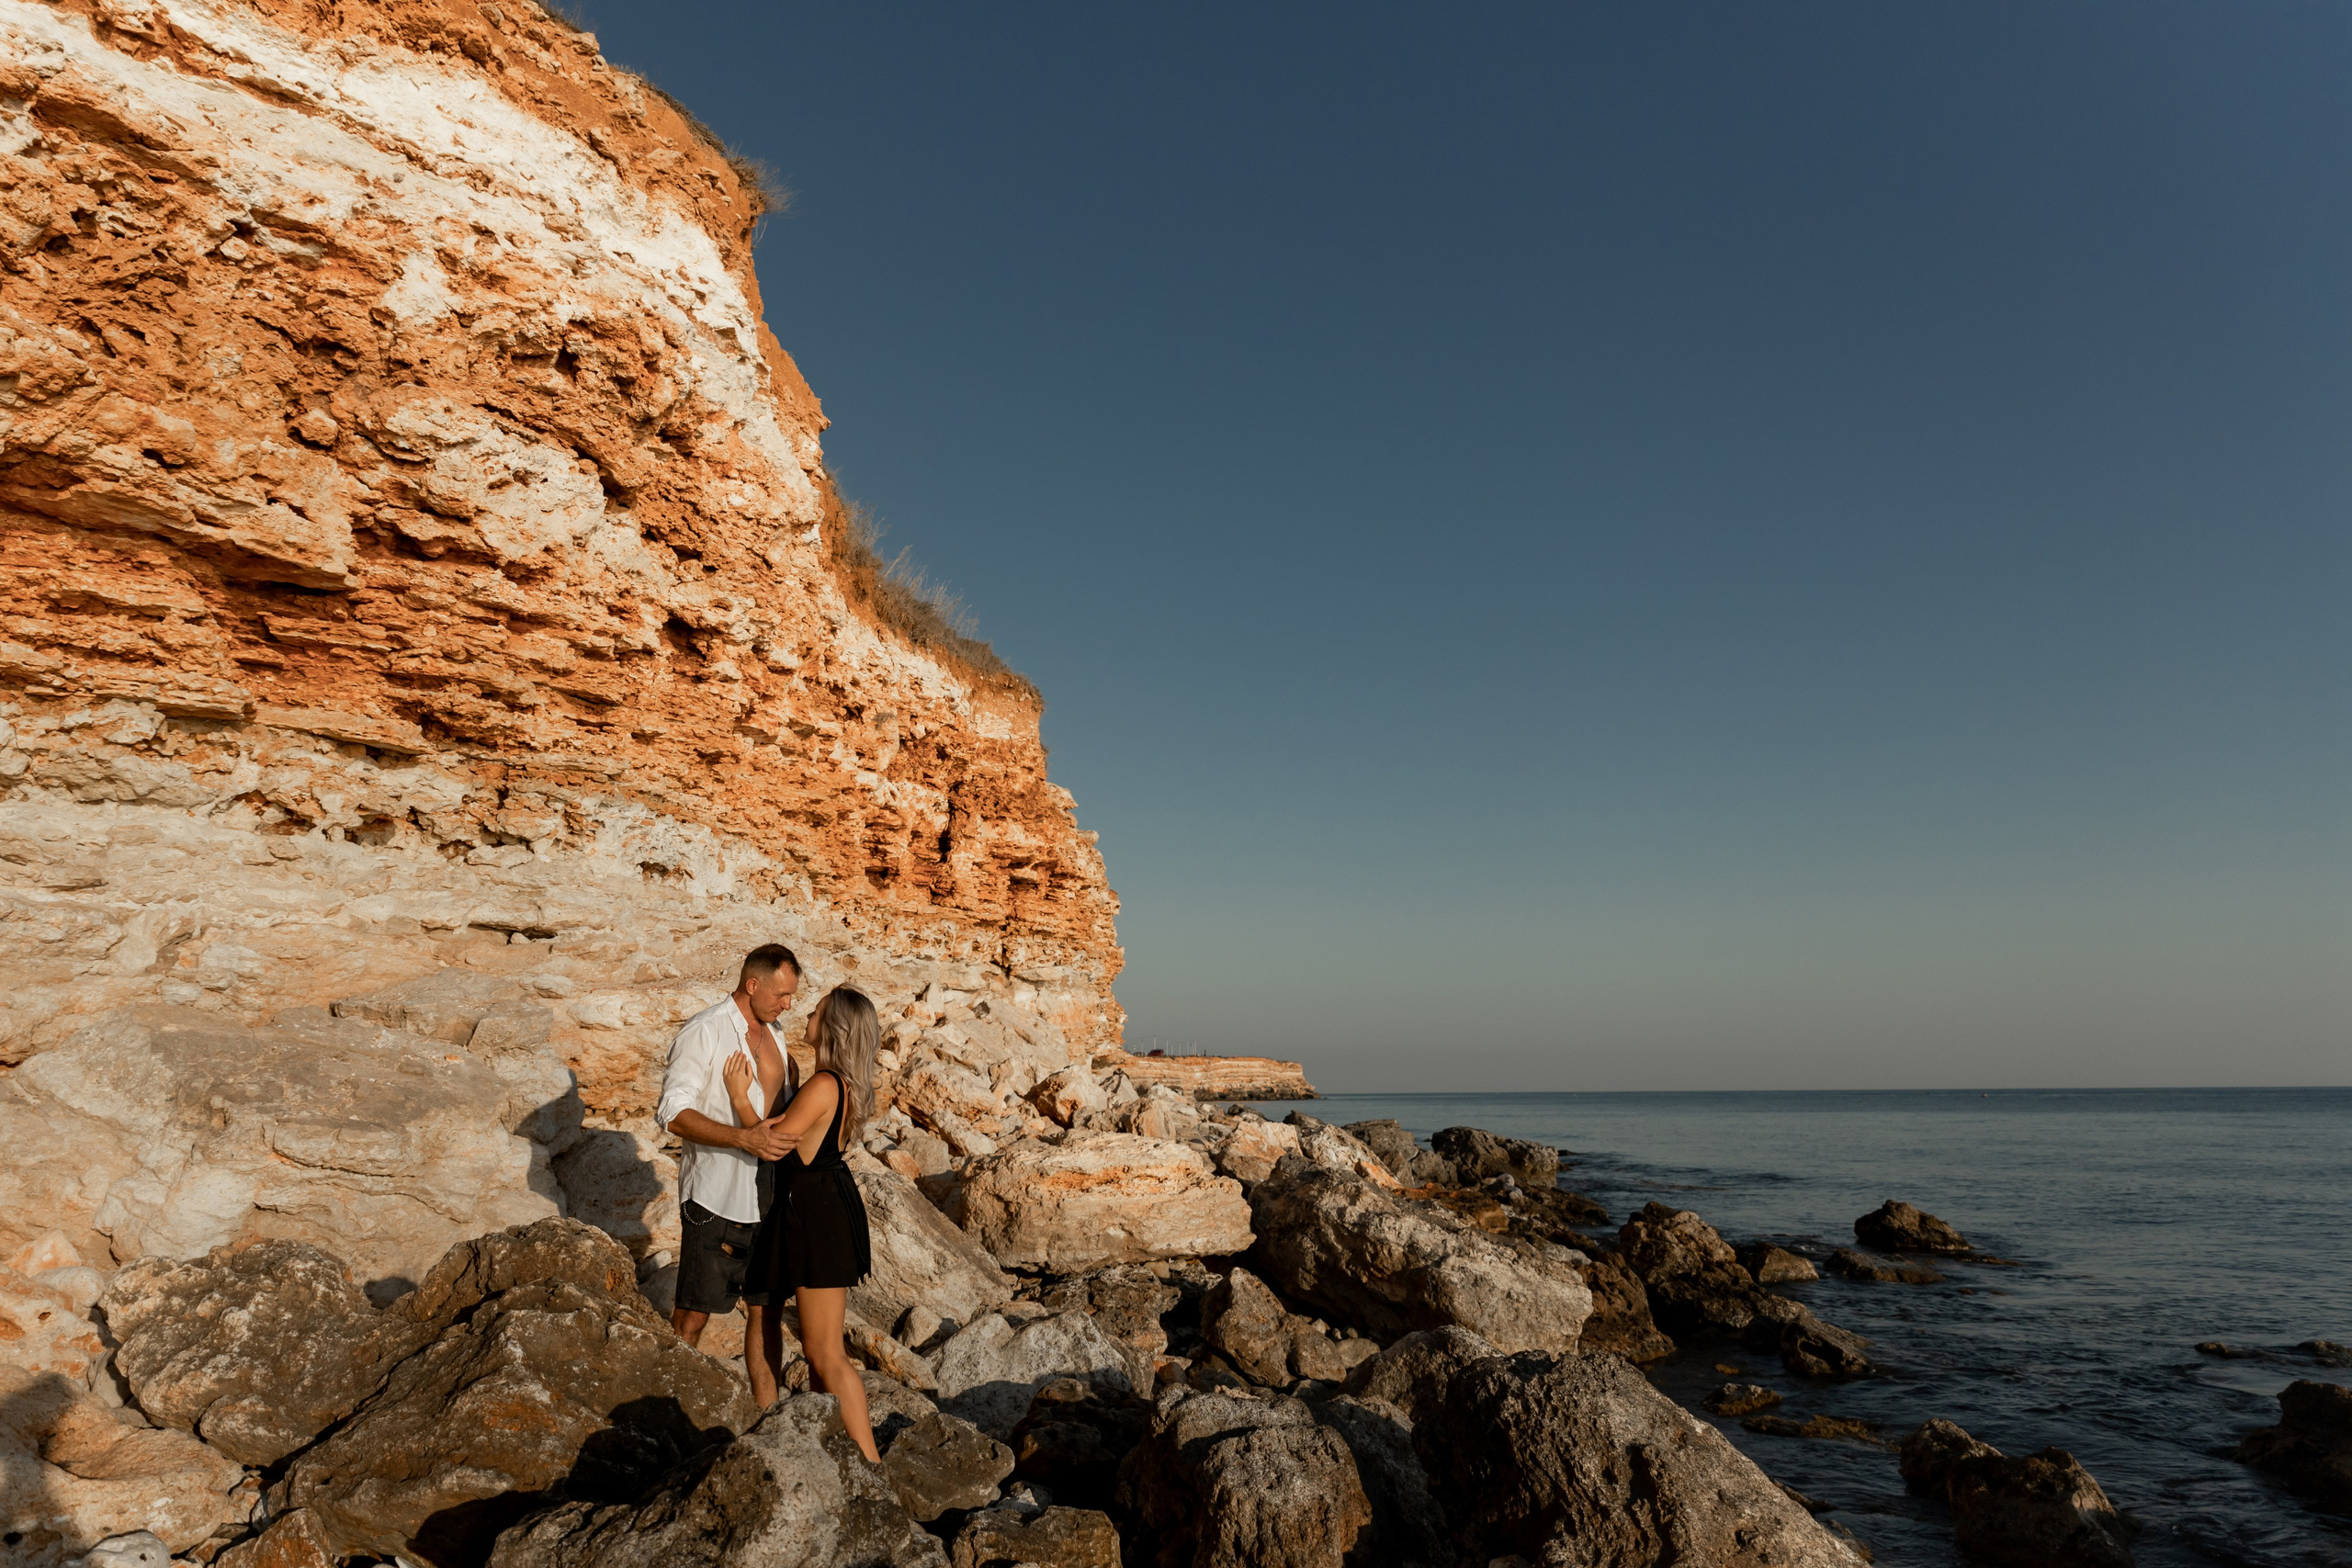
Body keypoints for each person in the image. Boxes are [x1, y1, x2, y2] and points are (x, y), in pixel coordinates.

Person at [726, 984, 879, 1460]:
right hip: (823, 1210)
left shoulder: (824, 1085)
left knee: (826, 1353)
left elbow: (773, 1144)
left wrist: (739, 1099)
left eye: (814, 1011)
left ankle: (870, 1465)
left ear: (831, 1028)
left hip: (818, 1219)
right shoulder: (833, 1083)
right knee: (819, 1355)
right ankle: (833, 1453)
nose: (805, 1014)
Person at [655, 943, 801, 1405]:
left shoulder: (776, 1034)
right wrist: (743, 1139)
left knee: (765, 1314)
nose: (788, 1004)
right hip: (717, 1196)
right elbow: (671, 1112)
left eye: (792, 996)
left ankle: (766, 1423)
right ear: (752, 984)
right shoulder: (705, 1031)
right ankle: (658, 1413)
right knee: (693, 1317)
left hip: (771, 1194)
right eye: (781, 994)